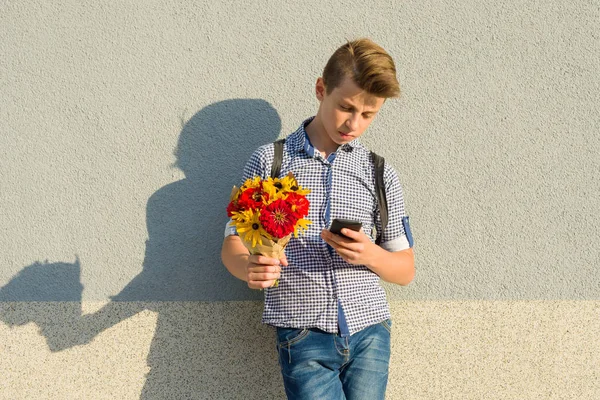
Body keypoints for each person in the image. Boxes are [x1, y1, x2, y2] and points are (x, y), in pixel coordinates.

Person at [221, 38, 415, 400]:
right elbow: (233, 242)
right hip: (302, 333)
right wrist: (249, 265)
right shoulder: (270, 162)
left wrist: (370, 254)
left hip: (370, 330)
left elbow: (405, 269)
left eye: (369, 114)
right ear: (320, 89)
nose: (354, 124)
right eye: (346, 107)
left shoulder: (378, 171)